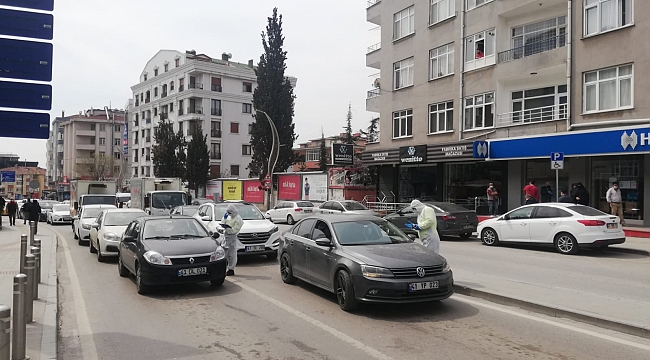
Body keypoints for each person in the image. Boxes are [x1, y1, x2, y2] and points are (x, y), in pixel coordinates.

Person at [220, 204, 243, 276]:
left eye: (229, 212)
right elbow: (224, 222)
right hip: (226, 237)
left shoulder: (238, 219)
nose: (228, 214)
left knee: (232, 254)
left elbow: (235, 230)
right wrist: (224, 220)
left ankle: (231, 269)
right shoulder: (229, 216)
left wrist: (228, 229)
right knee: (224, 253)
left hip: (232, 237)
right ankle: (223, 268)